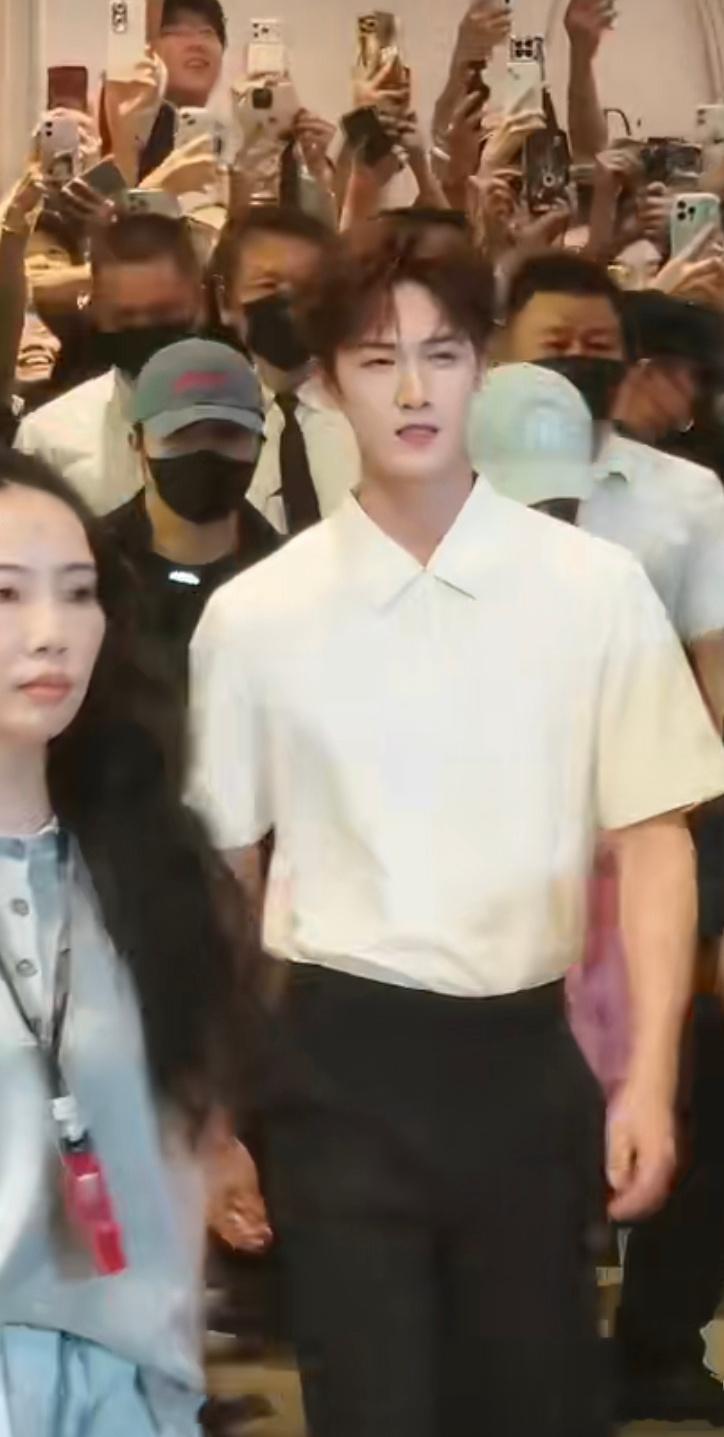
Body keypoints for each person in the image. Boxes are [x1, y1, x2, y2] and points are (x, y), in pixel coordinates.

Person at [189, 218, 724, 1437]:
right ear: (330, 383)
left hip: (525, 1063)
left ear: (485, 366)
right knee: (373, 1409)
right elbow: (221, 878)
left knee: (537, 1403)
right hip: (335, 1063)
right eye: (377, 359)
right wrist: (214, 1120)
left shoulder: (591, 590)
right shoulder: (259, 616)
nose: (413, 391)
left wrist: (647, 1078)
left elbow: (654, 839)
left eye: (441, 354)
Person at [0, 447, 266, 1436]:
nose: (50, 632)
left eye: (78, 593)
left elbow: (175, 1147)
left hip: (132, 1387)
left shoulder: (149, 869)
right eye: (6, 593)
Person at [498, 251, 724, 729]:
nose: (577, 358)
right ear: (504, 356)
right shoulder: (447, 487)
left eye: (597, 345)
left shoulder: (691, 493)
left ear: (626, 364)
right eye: (557, 343)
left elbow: (717, 654)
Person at [102, 337, 277, 700]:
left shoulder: (294, 577)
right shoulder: (89, 573)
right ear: (136, 442)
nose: (205, 453)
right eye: (182, 437)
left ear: (260, 443)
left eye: (227, 435)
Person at [16, 212, 204, 516]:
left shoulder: (260, 417)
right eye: (125, 317)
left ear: (200, 302)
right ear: (97, 312)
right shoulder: (48, 438)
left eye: (163, 313)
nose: (144, 329)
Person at [211, 206, 361, 535]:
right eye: (269, 285)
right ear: (225, 302)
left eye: (308, 288)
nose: (289, 301)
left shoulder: (377, 413)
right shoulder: (215, 428)